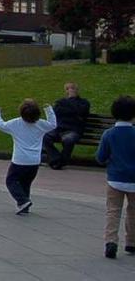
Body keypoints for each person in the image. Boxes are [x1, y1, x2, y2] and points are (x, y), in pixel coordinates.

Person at [0, 99, 57, 215]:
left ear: (21, 112)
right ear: (37, 114)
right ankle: (24, 206)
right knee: (25, 183)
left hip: (19, 160)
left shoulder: (16, 123)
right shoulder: (41, 124)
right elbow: (53, 124)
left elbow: (0, 125)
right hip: (34, 161)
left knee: (11, 181)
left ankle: (23, 201)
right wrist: (48, 109)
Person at [96, 95, 135, 259]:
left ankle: (111, 241)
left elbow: (100, 157)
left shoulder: (109, 134)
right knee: (133, 211)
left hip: (115, 179)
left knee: (113, 210)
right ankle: (131, 242)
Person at [44, 82, 90, 169]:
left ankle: (61, 161)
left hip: (73, 130)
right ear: (66, 91)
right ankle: (57, 158)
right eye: (68, 88)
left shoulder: (84, 102)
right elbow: (56, 112)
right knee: (45, 136)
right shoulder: (60, 102)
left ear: (77, 90)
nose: (71, 90)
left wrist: (71, 102)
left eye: (73, 88)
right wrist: (73, 111)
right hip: (59, 129)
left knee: (68, 140)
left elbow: (82, 112)